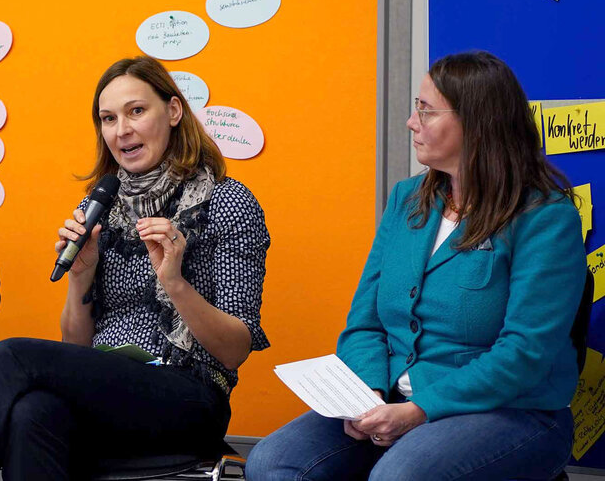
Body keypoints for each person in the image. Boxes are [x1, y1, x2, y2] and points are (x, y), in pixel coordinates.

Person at [0, 55, 270, 480]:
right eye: (108, 119)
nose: (121, 130)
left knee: (12, 354)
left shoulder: (227, 203)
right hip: (104, 385)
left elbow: (234, 351)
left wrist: (175, 283)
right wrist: (81, 274)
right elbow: (76, 347)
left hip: (189, 394)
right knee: (32, 412)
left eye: (136, 111)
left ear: (174, 111)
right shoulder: (99, 207)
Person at [246, 51, 587, 480]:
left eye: (425, 111)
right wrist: (367, 393)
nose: (411, 122)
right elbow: (365, 324)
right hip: (391, 399)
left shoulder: (545, 218)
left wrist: (418, 410)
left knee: (400, 477)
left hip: (513, 411)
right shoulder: (407, 199)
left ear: (478, 123)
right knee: (270, 463)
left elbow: (525, 354)